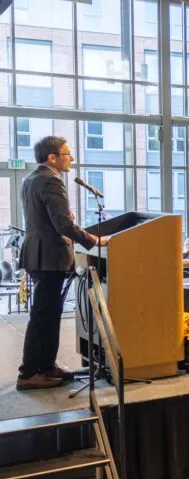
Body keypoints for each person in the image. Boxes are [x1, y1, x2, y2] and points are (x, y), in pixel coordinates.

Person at [17, 136, 107, 390]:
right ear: (52, 157)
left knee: (49, 313)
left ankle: (46, 366)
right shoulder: (51, 181)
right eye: (67, 153)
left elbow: (48, 218)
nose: (72, 158)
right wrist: (94, 240)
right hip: (50, 256)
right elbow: (62, 225)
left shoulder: (31, 179)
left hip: (39, 254)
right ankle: (28, 373)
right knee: (43, 315)